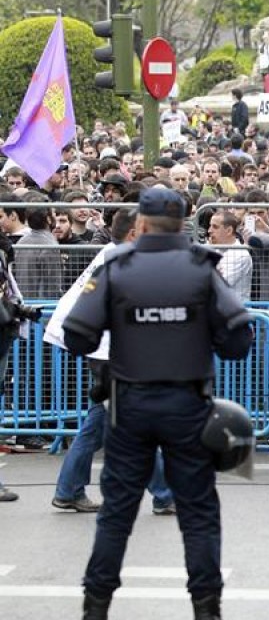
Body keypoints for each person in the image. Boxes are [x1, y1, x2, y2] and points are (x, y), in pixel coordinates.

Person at [62, 188, 254, 620]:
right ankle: (207, 609)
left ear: (142, 223)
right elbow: (239, 339)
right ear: (184, 222)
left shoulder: (117, 268)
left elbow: (78, 333)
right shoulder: (203, 270)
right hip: (189, 406)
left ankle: (95, 607)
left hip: (130, 405)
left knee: (116, 514)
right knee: (199, 513)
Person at [45, 209, 176, 515]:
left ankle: (69, 490)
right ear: (134, 234)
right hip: (111, 353)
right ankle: (164, 495)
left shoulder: (115, 254)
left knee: (98, 423)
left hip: (104, 350)